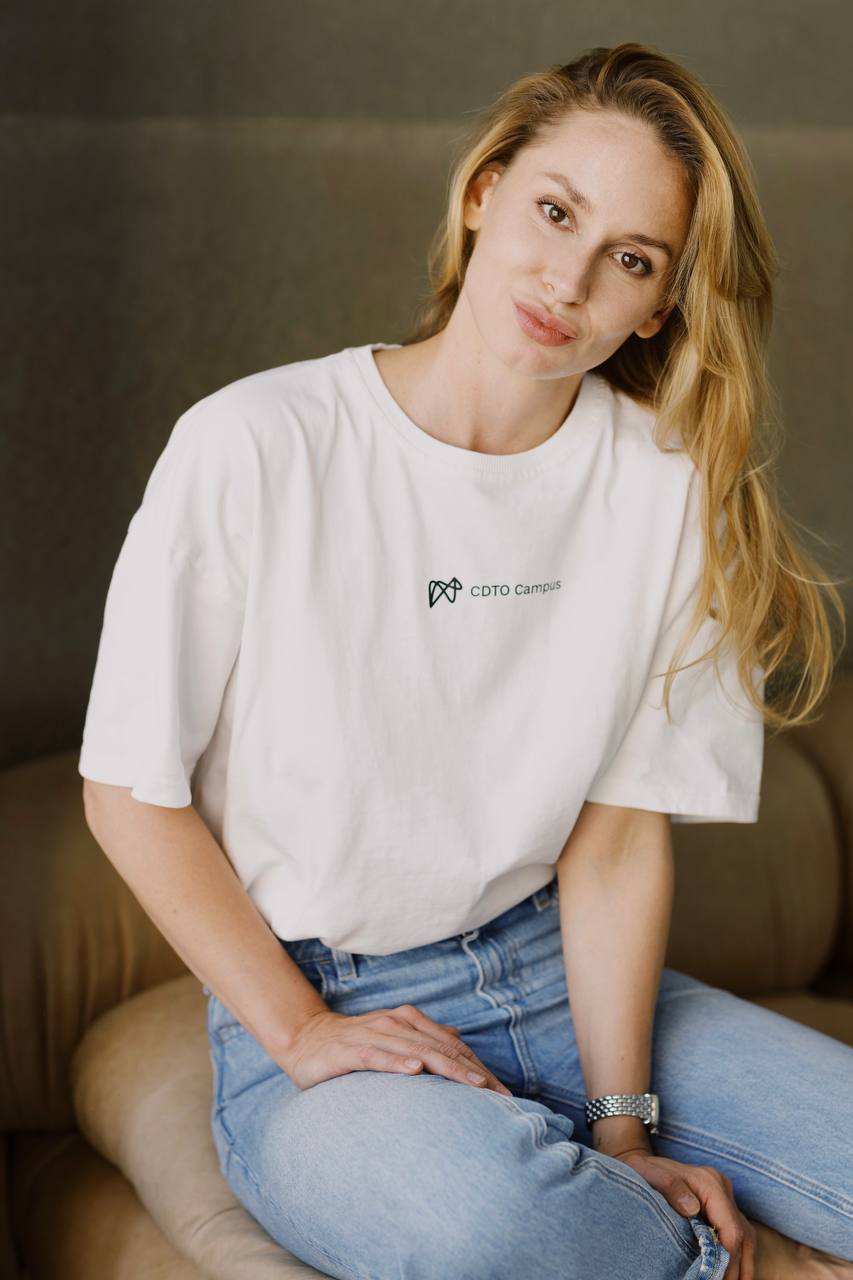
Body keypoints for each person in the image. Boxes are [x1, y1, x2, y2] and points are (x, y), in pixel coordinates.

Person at [78, 41, 851, 1280]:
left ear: (659, 306)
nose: (569, 279)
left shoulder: (667, 488)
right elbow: (126, 789)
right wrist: (303, 1029)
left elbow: (613, 843)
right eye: (555, 211)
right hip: (320, 995)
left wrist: (623, 1129)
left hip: (554, 969)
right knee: (496, 1221)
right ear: (484, 191)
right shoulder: (254, 444)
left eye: (632, 259)